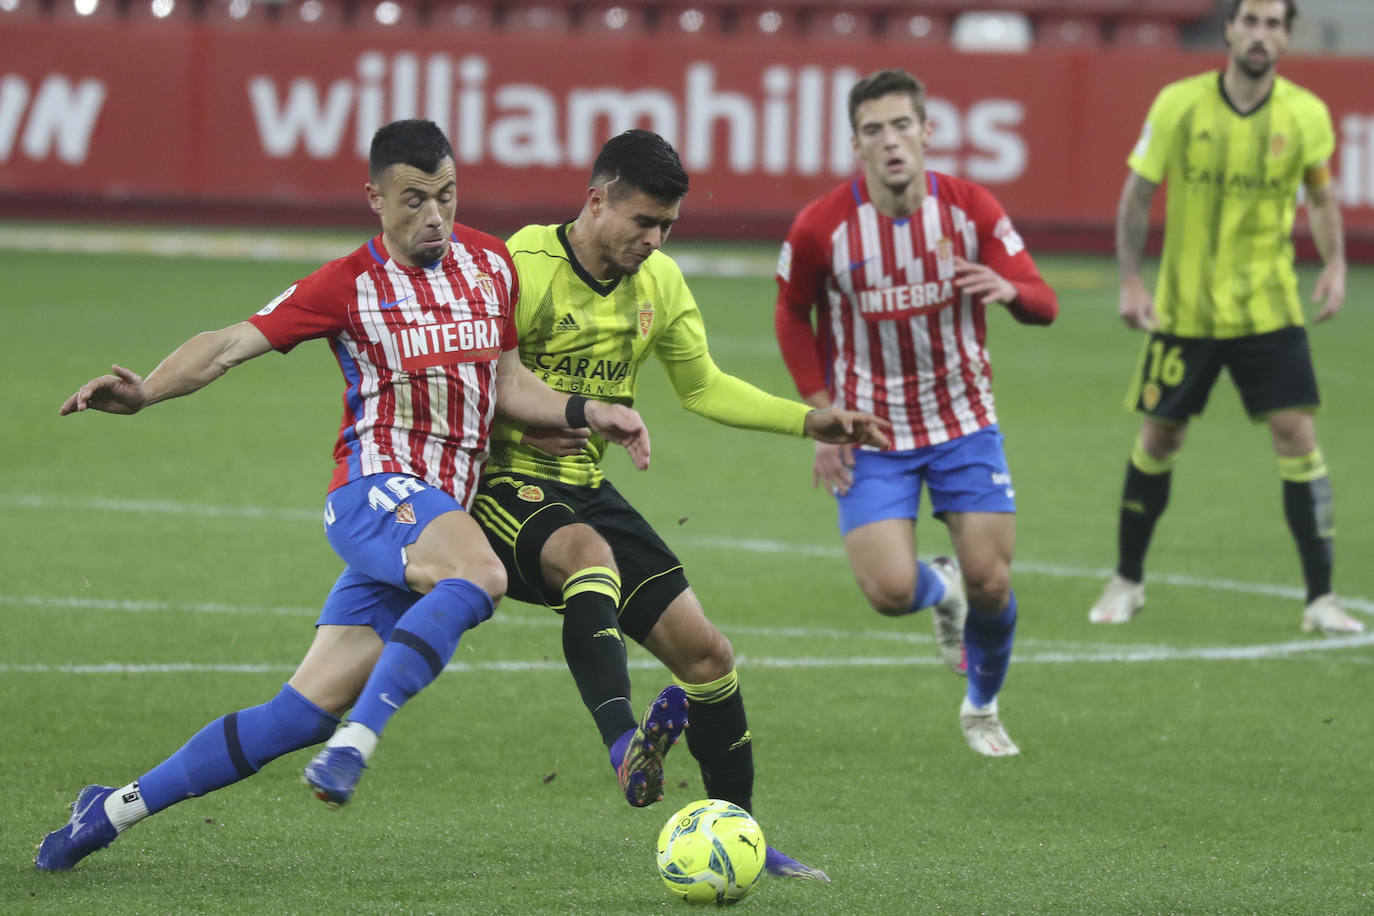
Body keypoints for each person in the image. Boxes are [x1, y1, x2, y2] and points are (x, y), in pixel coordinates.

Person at [35, 119, 651, 871]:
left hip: (430, 517)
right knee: (482, 574)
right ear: (375, 199)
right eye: (414, 200)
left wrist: (592, 412)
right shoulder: (348, 285)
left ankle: (109, 811)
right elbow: (231, 342)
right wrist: (147, 392)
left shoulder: (492, 265)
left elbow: (509, 385)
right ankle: (358, 742)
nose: (434, 216)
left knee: (294, 716)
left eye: (447, 196)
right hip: (374, 492)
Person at [464, 129, 890, 881]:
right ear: (596, 202)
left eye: (668, 227)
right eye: (643, 222)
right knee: (589, 559)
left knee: (708, 655)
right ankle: (627, 747)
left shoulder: (658, 282)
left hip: (585, 489)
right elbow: (480, 386)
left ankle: (742, 839)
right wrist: (571, 411)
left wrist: (806, 419)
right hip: (498, 486)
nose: (655, 241)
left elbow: (703, 387)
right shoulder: (518, 266)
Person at [773, 68, 1059, 758]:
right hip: (872, 431)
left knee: (994, 581)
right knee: (891, 591)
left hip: (963, 421)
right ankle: (942, 590)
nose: (891, 141)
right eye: (875, 130)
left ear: (927, 133)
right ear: (856, 145)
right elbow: (791, 312)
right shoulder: (822, 227)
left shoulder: (970, 209)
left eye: (903, 126)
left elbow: (1043, 303)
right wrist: (822, 414)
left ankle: (982, 707)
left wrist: (1010, 290)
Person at [1087, 0, 1362, 635]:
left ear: (1287, 39)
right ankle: (1127, 579)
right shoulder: (1179, 103)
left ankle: (1320, 599)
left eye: (1274, 25)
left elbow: (1321, 195)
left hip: (1270, 310)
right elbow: (1137, 195)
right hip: (1184, 312)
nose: (1261, 34)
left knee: (1298, 438)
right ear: (1230, 30)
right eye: (1252, 21)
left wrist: (1336, 264)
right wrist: (1131, 279)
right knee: (1160, 437)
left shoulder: (1307, 114)